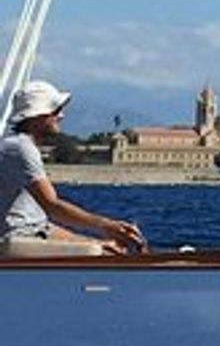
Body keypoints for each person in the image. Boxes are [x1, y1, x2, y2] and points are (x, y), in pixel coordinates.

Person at [1, 81, 144, 257]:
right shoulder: (20, 148)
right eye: (55, 111)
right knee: (101, 254)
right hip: (16, 242)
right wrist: (107, 226)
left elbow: (41, 227)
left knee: (109, 250)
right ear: (37, 116)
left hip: (28, 238)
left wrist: (98, 242)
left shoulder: (18, 147)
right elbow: (52, 206)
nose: (61, 116)